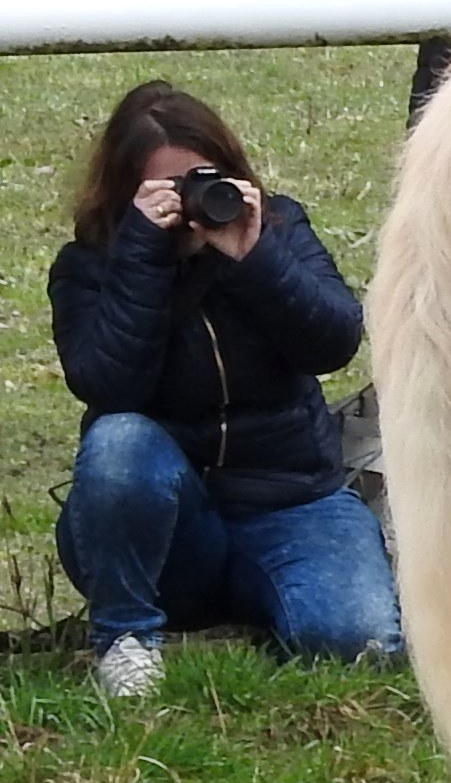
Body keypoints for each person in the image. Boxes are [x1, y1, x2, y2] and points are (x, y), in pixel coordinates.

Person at [49, 83, 403, 701]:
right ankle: (125, 642)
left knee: (357, 643)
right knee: (118, 439)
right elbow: (108, 384)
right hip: (165, 521)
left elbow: (334, 344)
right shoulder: (90, 265)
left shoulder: (281, 228)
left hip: (292, 498)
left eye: (199, 181)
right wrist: (144, 255)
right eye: (163, 191)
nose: (187, 204)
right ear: (124, 192)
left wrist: (253, 257)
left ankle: (277, 607)